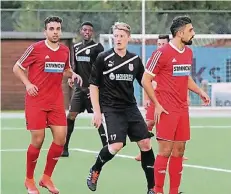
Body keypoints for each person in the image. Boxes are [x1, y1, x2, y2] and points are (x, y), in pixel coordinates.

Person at [13, 16, 82, 194]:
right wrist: (28, 84)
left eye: (58, 28)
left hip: (56, 102)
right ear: (45, 31)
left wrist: (72, 75)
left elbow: (65, 69)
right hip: (36, 102)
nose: (55, 32)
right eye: (51, 29)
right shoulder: (35, 49)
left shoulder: (65, 50)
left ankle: (46, 178)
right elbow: (17, 67)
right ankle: (29, 180)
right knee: (38, 139)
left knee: (60, 139)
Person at [142, 16, 210, 194]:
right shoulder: (161, 53)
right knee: (165, 151)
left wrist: (200, 92)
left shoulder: (188, 53)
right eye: (190, 30)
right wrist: (156, 104)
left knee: (179, 151)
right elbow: (145, 80)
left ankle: (174, 191)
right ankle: (157, 190)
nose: (193, 34)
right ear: (180, 33)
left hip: (182, 110)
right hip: (166, 109)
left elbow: (185, 77)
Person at [86, 22, 155, 194]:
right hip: (111, 108)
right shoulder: (103, 58)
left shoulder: (134, 60)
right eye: (116, 36)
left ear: (128, 38)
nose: (118, 39)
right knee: (116, 145)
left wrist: (150, 99)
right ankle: (95, 169)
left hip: (130, 107)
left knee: (146, 144)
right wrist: (97, 111)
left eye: (122, 36)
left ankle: (152, 188)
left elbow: (145, 82)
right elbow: (93, 85)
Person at [61, 21, 106, 157]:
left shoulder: (98, 47)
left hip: (93, 90)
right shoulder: (76, 47)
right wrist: (71, 76)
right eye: (85, 30)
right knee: (71, 116)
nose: (87, 32)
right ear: (81, 31)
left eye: (89, 30)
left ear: (92, 33)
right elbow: (74, 65)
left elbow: (102, 69)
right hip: (80, 89)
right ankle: (65, 147)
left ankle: (106, 147)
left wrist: (99, 87)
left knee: (97, 118)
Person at [135, 34, 170, 161]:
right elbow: (146, 81)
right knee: (148, 123)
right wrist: (146, 98)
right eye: (159, 44)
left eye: (163, 44)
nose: (160, 47)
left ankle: (176, 153)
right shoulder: (152, 59)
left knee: (171, 125)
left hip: (169, 98)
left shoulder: (174, 58)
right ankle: (143, 152)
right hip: (155, 97)